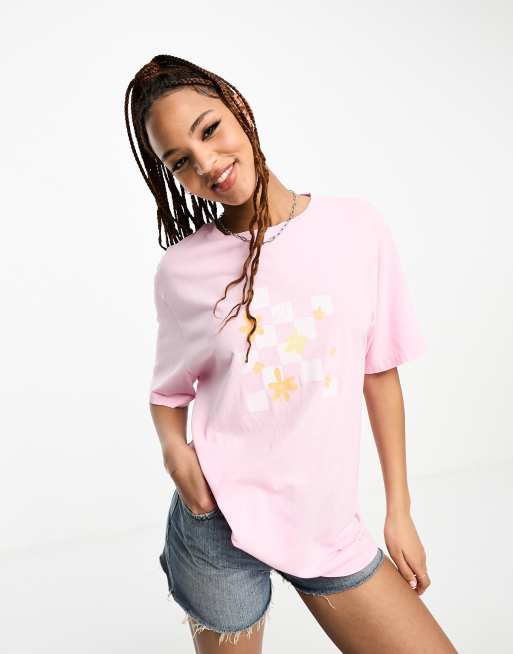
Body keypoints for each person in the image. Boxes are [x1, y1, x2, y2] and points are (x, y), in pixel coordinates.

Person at [124, 55, 459, 653]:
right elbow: (167, 393)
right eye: (180, 162)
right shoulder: (181, 272)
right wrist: (176, 454)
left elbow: (379, 373)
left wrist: (399, 510)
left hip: (324, 526)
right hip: (217, 524)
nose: (207, 164)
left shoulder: (356, 228)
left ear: (239, 109)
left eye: (209, 130)